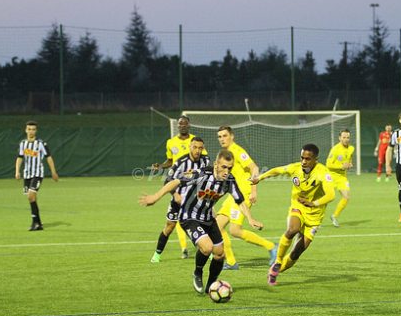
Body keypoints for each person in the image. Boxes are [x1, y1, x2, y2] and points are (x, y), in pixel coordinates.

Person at [139, 149, 264, 294]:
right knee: (207, 247)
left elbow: (240, 200)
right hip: (189, 217)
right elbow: (175, 181)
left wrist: (250, 218)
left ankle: (211, 286)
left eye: (230, 168)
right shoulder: (202, 173)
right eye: (223, 167)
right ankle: (197, 272)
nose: (226, 171)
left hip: (208, 219)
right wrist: (155, 197)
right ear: (216, 164)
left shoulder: (229, 181)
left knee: (219, 254)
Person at [252, 144, 336, 286]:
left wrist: (314, 203)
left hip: (315, 217)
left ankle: (275, 271)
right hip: (298, 207)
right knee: (292, 230)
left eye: (308, 159)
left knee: (296, 253)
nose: (304, 161)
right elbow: (277, 170)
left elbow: (331, 194)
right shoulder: (295, 168)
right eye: (302, 158)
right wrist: (260, 178)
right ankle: (278, 261)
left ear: (316, 159)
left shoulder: (323, 172)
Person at [216, 126, 277, 270]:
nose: (222, 139)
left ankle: (271, 246)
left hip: (242, 194)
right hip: (232, 195)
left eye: (224, 135)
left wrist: (254, 190)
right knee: (217, 226)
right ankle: (230, 261)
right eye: (219, 136)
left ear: (232, 136)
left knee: (234, 230)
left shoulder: (238, 151)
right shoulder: (225, 154)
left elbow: (254, 168)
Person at [151, 115, 207, 259]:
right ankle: (157, 255)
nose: (182, 126)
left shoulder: (196, 141)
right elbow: (170, 162)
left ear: (189, 125)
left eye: (185, 124)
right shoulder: (171, 143)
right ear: (178, 126)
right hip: (177, 186)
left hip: (194, 191)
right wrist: (161, 166)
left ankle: (206, 251)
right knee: (170, 225)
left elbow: (205, 166)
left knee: (200, 223)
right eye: (180, 124)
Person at [15, 121, 59, 231]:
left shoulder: (41, 144)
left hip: (37, 174)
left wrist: (53, 172)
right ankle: (38, 223)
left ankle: (35, 222)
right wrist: (17, 171)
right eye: (29, 129)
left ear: (36, 131)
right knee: (31, 198)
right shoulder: (23, 144)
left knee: (31, 196)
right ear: (25, 130)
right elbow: (20, 157)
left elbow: (48, 157)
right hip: (27, 174)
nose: (31, 131)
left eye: (33, 129)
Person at [326, 129, 355, 227]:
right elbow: (328, 164)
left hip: (342, 177)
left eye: (348, 137)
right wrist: (341, 166)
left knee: (346, 197)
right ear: (339, 138)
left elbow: (350, 159)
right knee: (327, 199)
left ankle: (334, 216)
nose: (346, 139)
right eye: (344, 137)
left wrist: (350, 164)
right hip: (332, 176)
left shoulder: (351, 148)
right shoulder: (335, 149)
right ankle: (315, 221)